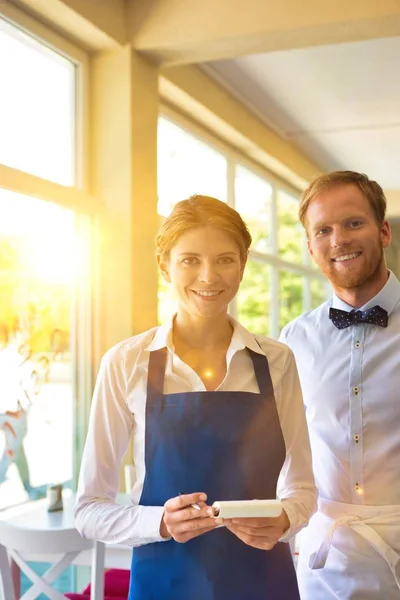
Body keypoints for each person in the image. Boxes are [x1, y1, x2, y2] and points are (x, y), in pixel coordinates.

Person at [75, 195, 317, 600]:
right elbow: (89, 510)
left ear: (242, 265)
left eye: (225, 259)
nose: (208, 276)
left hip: (263, 582)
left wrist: (286, 518)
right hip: (162, 583)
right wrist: (161, 524)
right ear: (164, 264)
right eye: (190, 260)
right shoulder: (125, 363)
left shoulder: (276, 361)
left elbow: (304, 488)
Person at [280, 171, 400, 599]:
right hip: (324, 562)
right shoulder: (291, 342)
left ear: (383, 231)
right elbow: (282, 450)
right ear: (311, 248)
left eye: (353, 223)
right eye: (323, 230)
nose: (339, 240)